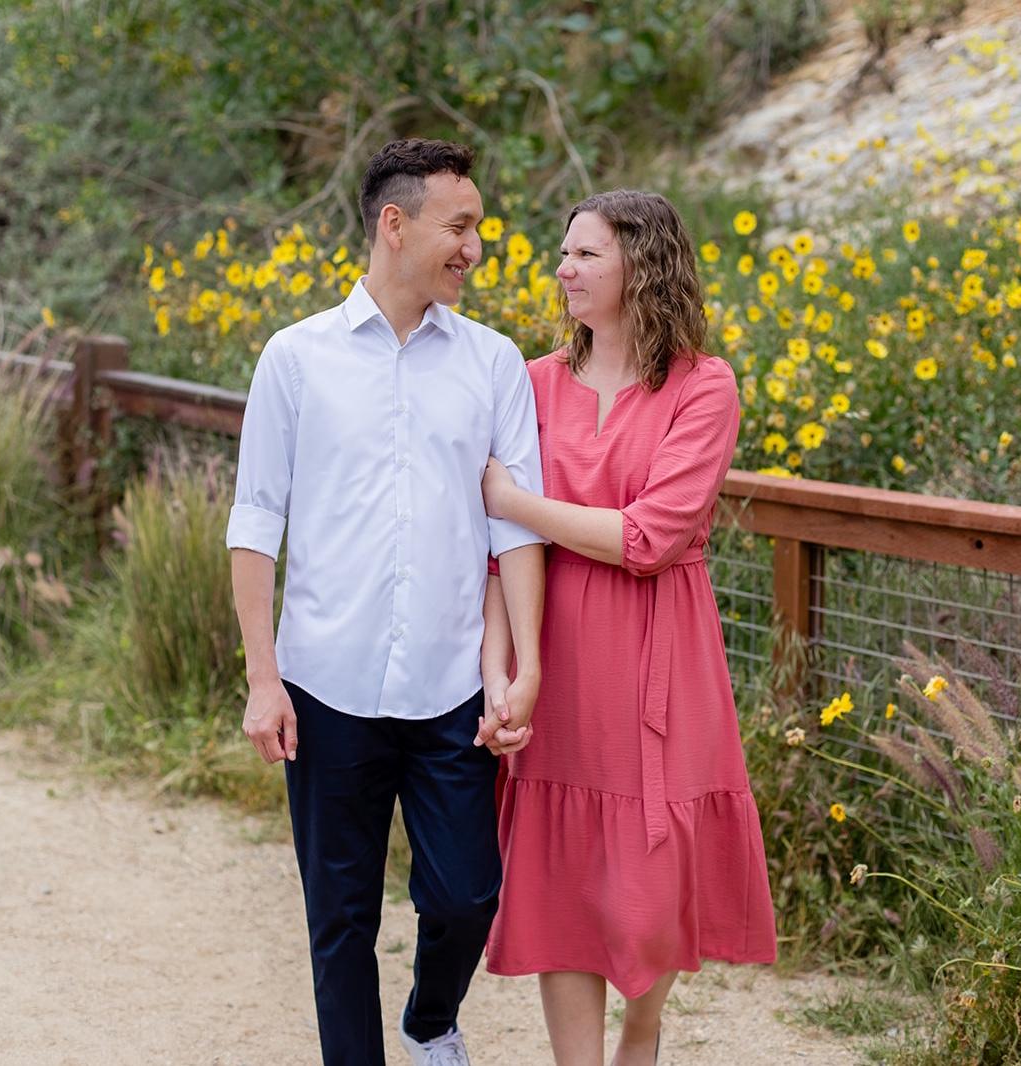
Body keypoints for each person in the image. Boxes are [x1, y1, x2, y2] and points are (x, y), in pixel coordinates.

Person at [226, 138, 545, 1066]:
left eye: (478, 228)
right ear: (394, 225)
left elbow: (515, 529)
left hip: (451, 688)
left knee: (466, 897)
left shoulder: (493, 363)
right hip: (325, 683)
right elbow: (256, 521)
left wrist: (520, 668)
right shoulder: (296, 359)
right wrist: (263, 681)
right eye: (460, 227)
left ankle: (430, 1020)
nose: (474, 248)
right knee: (340, 920)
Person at [479, 190, 778, 1066]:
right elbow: (497, 555)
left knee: (649, 887)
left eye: (586, 255)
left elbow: (650, 539)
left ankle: (641, 1030)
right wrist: (500, 674)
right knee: (563, 886)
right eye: (564, 253)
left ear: (642, 266)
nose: (563, 270)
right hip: (553, 648)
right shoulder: (531, 382)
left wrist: (515, 501)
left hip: (660, 654)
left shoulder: (703, 386)